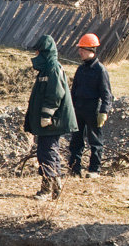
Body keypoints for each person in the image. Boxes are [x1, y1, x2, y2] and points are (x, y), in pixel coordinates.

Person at [25, 35, 77, 201]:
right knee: (48, 151)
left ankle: (47, 189)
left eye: (38, 51)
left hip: (53, 121)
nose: (36, 54)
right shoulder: (47, 68)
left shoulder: (53, 68)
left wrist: (47, 115)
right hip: (50, 121)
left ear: (44, 51)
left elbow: (55, 94)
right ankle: (55, 185)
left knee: (47, 152)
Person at [69, 33, 113, 178]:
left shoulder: (100, 70)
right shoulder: (80, 69)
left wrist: (104, 111)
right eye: (80, 49)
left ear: (91, 50)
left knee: (95, 141)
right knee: (76, 140)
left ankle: (94, 170)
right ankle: (74, 169)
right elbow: (73, 91)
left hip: (93, 109)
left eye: (82, 49)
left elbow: (107, 94)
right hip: (78, 109)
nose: (80, 52)